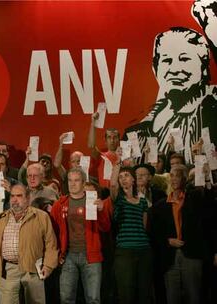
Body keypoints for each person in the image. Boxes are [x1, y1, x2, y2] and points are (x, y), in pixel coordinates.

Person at [125, 0, 217, 162]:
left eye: (184, 59)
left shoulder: (212, 108)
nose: (175, 69)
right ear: (155, 69)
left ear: (204, 68)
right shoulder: (136, 133)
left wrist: (211, 24)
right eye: (167, 61)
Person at [149, 163, 213, 304]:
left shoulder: (194, 199)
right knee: (172, 297)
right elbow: (153, 232)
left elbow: (210, 205)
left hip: (192, 255)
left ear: (184, 179)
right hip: (170, 257)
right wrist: (167, 241)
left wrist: (207, 178)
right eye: (172, 175)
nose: (174, 179)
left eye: (178, 175)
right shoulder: (160, 206)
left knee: (194, 296)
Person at [0, 183, 58, 304]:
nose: (15, 200)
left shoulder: (41, 217)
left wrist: (48, 266)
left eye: (19, 196)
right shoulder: (0, 218)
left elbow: (51, 243)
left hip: (33, 268)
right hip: (8, 269)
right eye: (12, 196)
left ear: (28, 198)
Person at [51, 168, 110, 304]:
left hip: (91, 256)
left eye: (76, 180)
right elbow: (53, 231)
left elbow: (105, 227)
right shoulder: (60, 204)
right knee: (66, 298)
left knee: (93, 299)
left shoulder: (93, 201)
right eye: (70, 180)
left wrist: (101, 210)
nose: (72, 184)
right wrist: (58, 253)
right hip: (68, 256)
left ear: (84, 183)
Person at [110, 160, 152, 304]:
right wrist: (117, 165)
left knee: (144, 293)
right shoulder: (119, 199)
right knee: (126, 293)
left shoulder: (142, 202)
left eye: (126, 175)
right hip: (125, 251)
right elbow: (113, 185)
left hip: (144, 250)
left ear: (133, 178)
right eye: (121, 176)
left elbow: (145, 227)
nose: (123, 179)